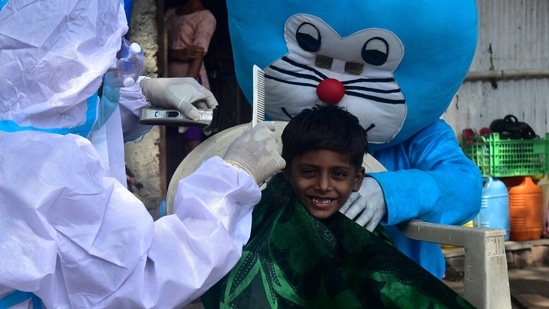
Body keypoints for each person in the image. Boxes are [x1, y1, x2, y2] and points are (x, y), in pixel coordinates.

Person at [0, 0, 285, 308]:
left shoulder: (22, 121)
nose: (121, 59)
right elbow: (146, 276)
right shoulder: (41, 169)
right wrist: (233, 180)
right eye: (104, 51)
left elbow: (67, 113)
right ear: (56, 62)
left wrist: (142, 93)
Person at [201, 105, 474, 308]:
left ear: (358, 179)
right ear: (285, 171)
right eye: (308, 172)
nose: (323, 185)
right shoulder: (266, 219)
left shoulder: (361, 233)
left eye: (338, 175)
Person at [165, 0, 217, 163]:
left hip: (190, 81)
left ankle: (194, 177)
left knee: (191, 136)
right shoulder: (171, 14)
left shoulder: (205, 17)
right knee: (170, 133)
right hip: (167, 82)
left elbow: (198, 53)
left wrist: (189, 86)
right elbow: (159, 46)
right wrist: (177, 53)